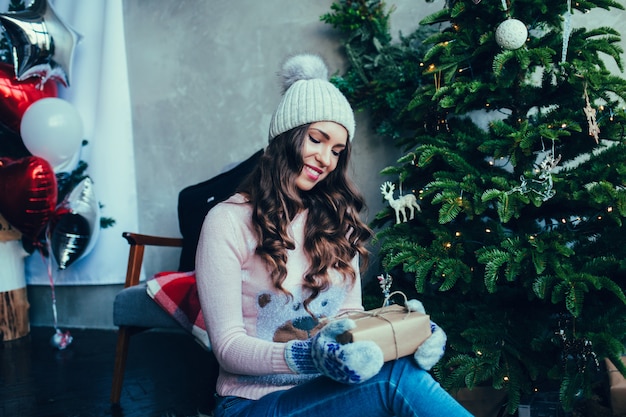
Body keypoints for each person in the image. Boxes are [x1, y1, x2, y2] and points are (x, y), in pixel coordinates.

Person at [195, 53, 473, 417]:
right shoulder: (227, 221)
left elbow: (349, 317)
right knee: (394, 382)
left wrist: (405, 334)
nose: (326, 159)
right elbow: (228, 348)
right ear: (286, 137)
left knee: (403, 369)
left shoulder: (335, 223)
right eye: (316, 139)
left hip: (326, 395)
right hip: (249, 404)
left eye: (337, 151)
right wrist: (309, 355)